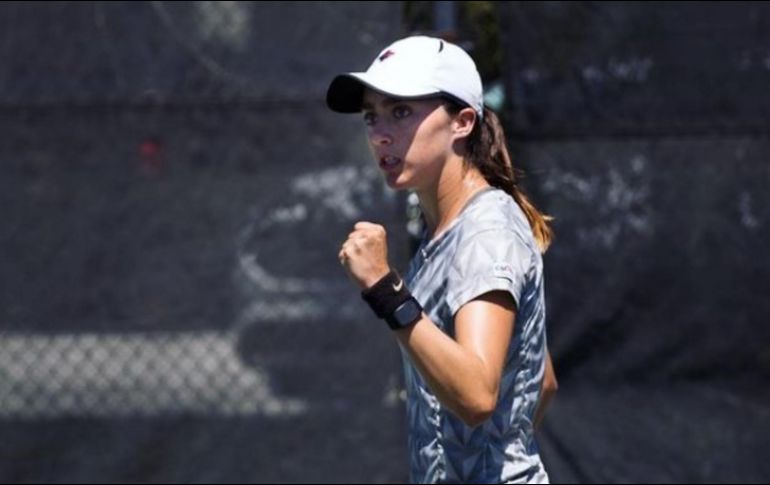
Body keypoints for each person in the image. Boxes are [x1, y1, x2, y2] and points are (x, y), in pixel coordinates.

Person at [327, 36, 557, 484]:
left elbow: (475, 395)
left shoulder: (485, 231)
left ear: (463, 122)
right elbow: (541, 378)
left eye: (401, 112)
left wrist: (385, 288)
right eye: (371, 117)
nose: (380, 134)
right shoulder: (446, 232)